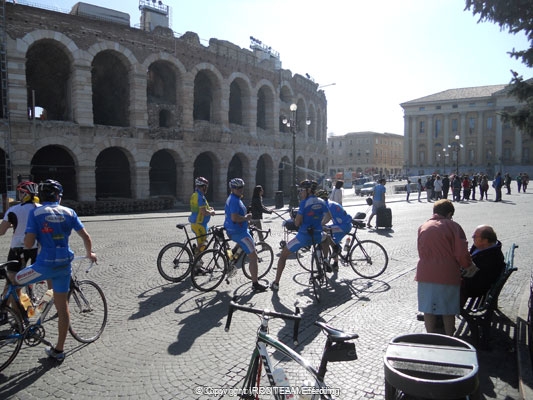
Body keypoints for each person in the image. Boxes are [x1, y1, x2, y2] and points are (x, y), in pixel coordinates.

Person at [6, 179, 97, 361]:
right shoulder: (69, 212)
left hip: (43, 266)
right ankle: (58, 350)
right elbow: (86, 237)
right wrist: (90, 253)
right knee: (62, 307)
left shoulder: (36, 212)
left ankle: (23, 317)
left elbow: (29, 243)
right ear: (58, 196)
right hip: (63, 266)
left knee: (14, 282)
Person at [415, 199, 477, 336]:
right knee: (448, 309)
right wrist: (468, 266)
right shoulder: (453, 227)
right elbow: (461, 253)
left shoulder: (423, 226)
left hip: (425, 273)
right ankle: (449, 337)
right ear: (449, 214)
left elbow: (420, 250)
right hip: (447, 273)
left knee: (428, 309)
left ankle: (430, 336)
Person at [271, 180, 327, 291]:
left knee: (283, 255)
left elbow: (297, 223)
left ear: (308, 190)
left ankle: (276, 283)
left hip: (303, 237)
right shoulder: (321, 201)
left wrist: (293, 218)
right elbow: (328, 216)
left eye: (302, 190)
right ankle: (325, 260)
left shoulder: (304, 203)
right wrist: (319, 224)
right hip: (318, 235)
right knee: (326, 237)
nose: (300, 192)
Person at [224, 178, 268, 293]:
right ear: (232, 189)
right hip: (239, 232)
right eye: (237, 188)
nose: (240, 189)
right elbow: (234, 217)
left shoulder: (234, 198)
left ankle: (230, 258)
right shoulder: (234, 200)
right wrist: (246, 218)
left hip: (236, 229)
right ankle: (255, 284)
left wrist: (245, 219)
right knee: (253, 257)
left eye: (241, 187)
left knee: (239, 248)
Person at [0, 181, 41, 301]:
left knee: (12, 280)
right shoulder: (41, 209)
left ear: (24, 194)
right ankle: (31, 294)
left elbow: (1, 231)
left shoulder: (14, 210)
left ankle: (5, 306)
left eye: (20, 192)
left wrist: (14, 225)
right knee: (34, 273)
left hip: (17, 248)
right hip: (36, 247)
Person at [460, 225, 505, 306]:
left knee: (444, 281)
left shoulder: (491, 257)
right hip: (470, 280)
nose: (472, 237)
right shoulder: (483, 248)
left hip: (475, 288)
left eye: (474, 236)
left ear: (485, 240)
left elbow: (477, 280)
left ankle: (449, 308)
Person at [316, 189, 351, 271]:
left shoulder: (327, 205)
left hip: (343, 226)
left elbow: (327, 218)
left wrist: (319, 225)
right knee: (333, 239)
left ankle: (337, 249)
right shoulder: (330, 203)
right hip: (344, 224)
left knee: (328, 234)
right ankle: (335, 264)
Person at [189, 177, 216, 253]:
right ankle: (196, 255)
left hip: (196, 223)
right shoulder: (200, 197)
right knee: (203, 245)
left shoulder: (195, 195)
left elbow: (199, 208)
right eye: (206, 187)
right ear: (204, 187)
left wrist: (209, 208)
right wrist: (212, 212)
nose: (206, 188)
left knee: (201, 244)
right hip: (199, 224)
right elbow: (203, 212)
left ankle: (196, 255)